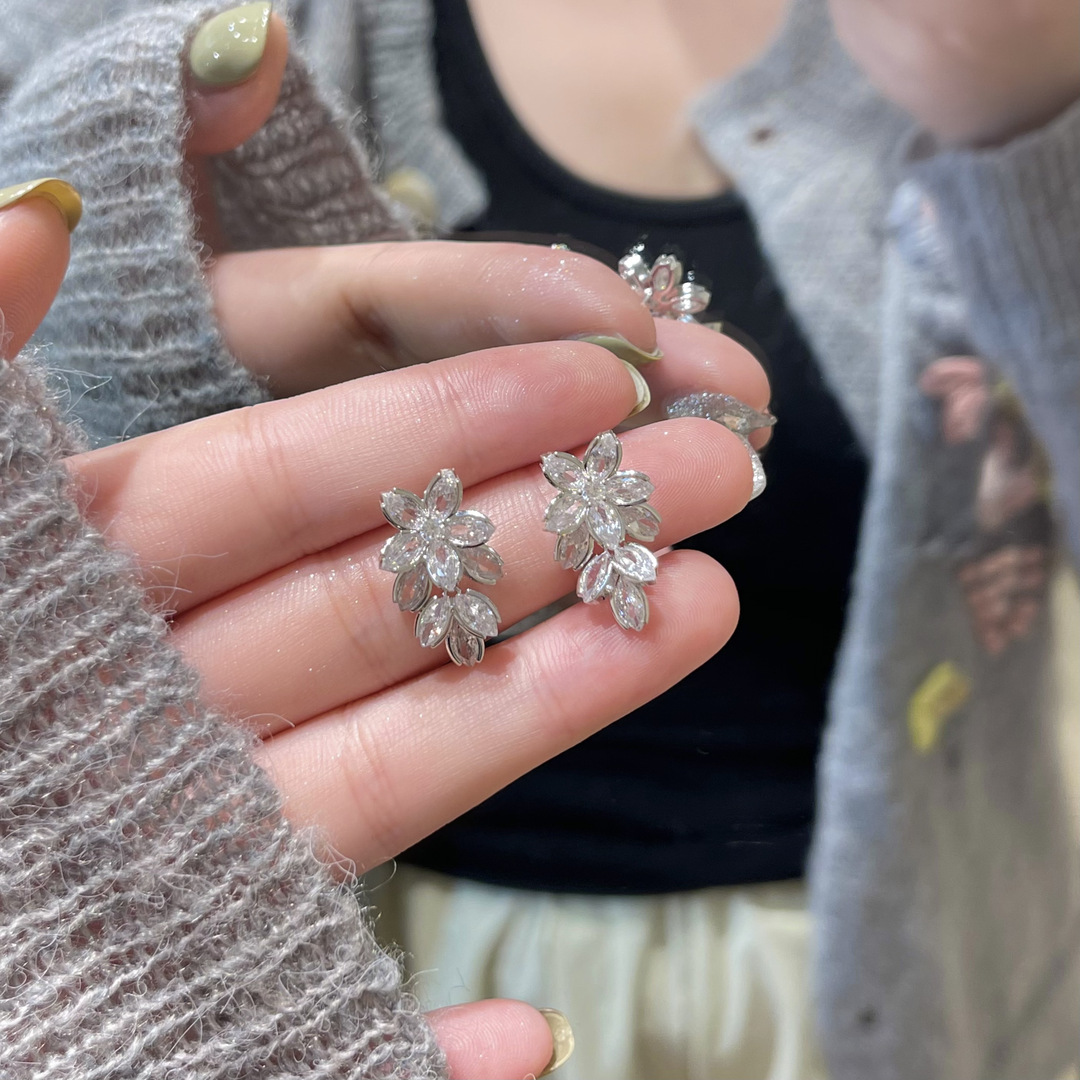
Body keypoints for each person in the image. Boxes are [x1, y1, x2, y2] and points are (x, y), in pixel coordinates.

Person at [1, 2, 1078, 1078]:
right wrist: (121, 375)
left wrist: (1031, 134)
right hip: (385, 949)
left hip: (917, 945)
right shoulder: (107, 26)